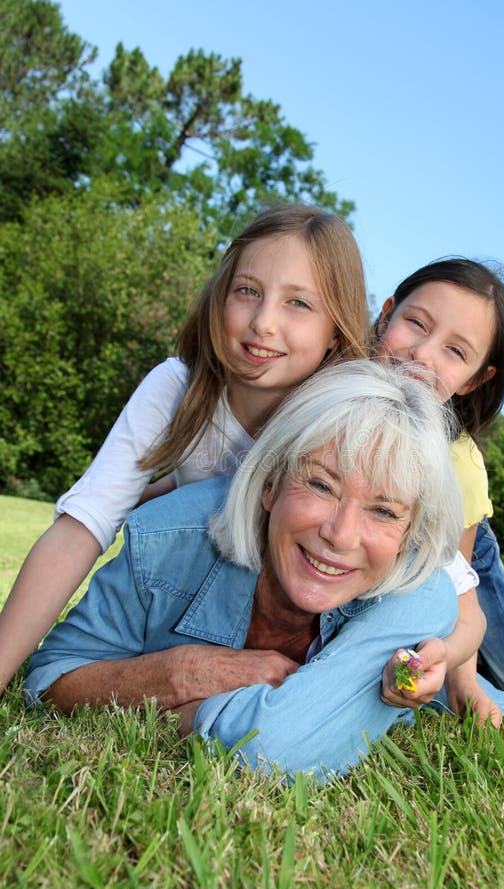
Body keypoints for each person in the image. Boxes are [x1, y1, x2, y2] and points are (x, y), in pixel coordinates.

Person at [24, 361, 464, 781]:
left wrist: (190, 716)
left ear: (409, 537)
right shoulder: (168, 540)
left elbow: (272, 752)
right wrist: (185, 672)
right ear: (270, 483)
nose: (341, 535)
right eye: (320, 485)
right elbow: (48, 681)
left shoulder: (417, 594)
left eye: (384, 511)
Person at [0, 204, 370, 696]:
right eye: (248, 291)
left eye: (298, 303)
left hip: (293, 616)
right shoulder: (176, 387)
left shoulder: (348, 423)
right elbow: (82, 527)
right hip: (195, 598)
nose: (262, 322)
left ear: (335, 331)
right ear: (220, 296)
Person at [376, 259, 504, 717]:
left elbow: (454, 589)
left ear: (477, 378)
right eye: (416, 323)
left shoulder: (457, 465)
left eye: (455, 352)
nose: (422, 353)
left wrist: (463, 682)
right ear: (386, 315)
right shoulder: (332, 391)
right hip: (392, 547)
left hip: (464, 552)